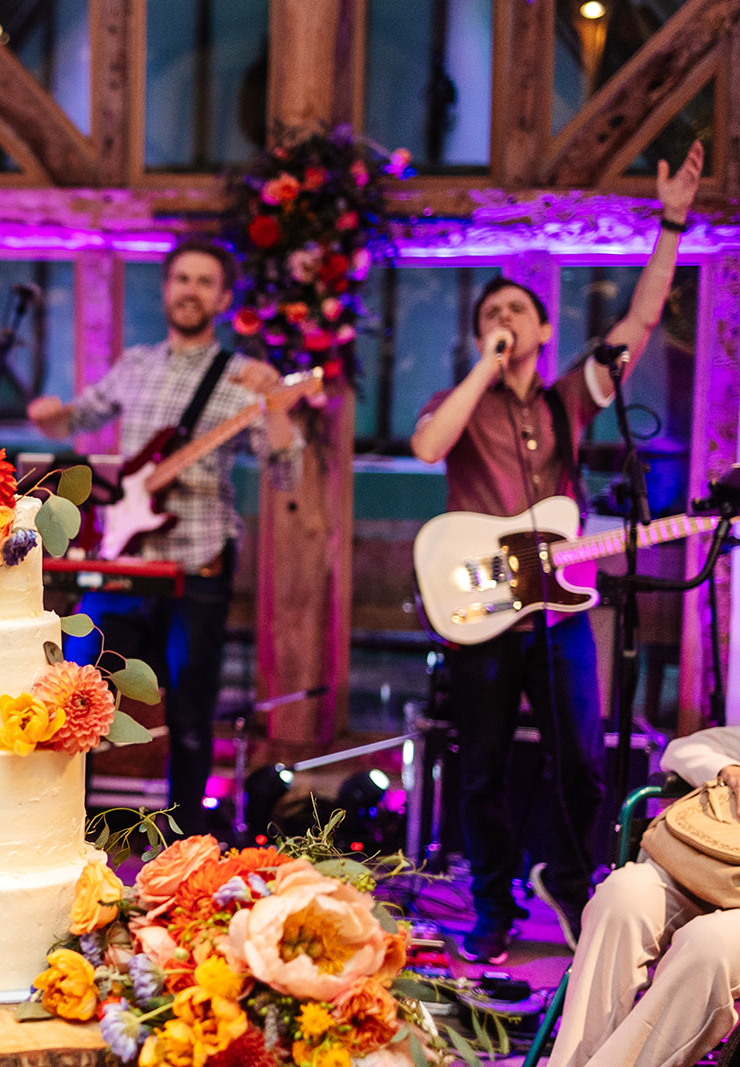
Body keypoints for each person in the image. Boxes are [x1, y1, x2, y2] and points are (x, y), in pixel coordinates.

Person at [410, 140, 704, 965]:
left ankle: (573, 881)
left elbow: (639, 322)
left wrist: (672, 220)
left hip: (562, 602)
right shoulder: (458, 401)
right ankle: (491, 906)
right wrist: (481, 368)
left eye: (516, 313)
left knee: (582, 754)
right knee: (484, 769)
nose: (503, 322)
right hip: (479, 604)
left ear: (544, 327)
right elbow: (430, 443)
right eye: (489, 315)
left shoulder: (570, 398)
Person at [26, 238, 303, 837]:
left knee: (191, 713)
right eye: (182, 279)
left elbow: (287, 471)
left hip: (197, 562)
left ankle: (183, 843)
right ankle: (58, 826)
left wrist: (275, 405)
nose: (191, 290)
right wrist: (54, 418)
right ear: (166, 289)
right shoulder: (138, 363)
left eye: (205, 281)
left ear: (224, 299)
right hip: (125, 560)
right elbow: (82, 416)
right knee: (73, 683)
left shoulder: (243, 377)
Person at [549, 725, 740, 1067]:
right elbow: (682, 750)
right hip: (707, 870)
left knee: (707, 945)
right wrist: (729, 771)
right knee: (620, 899)